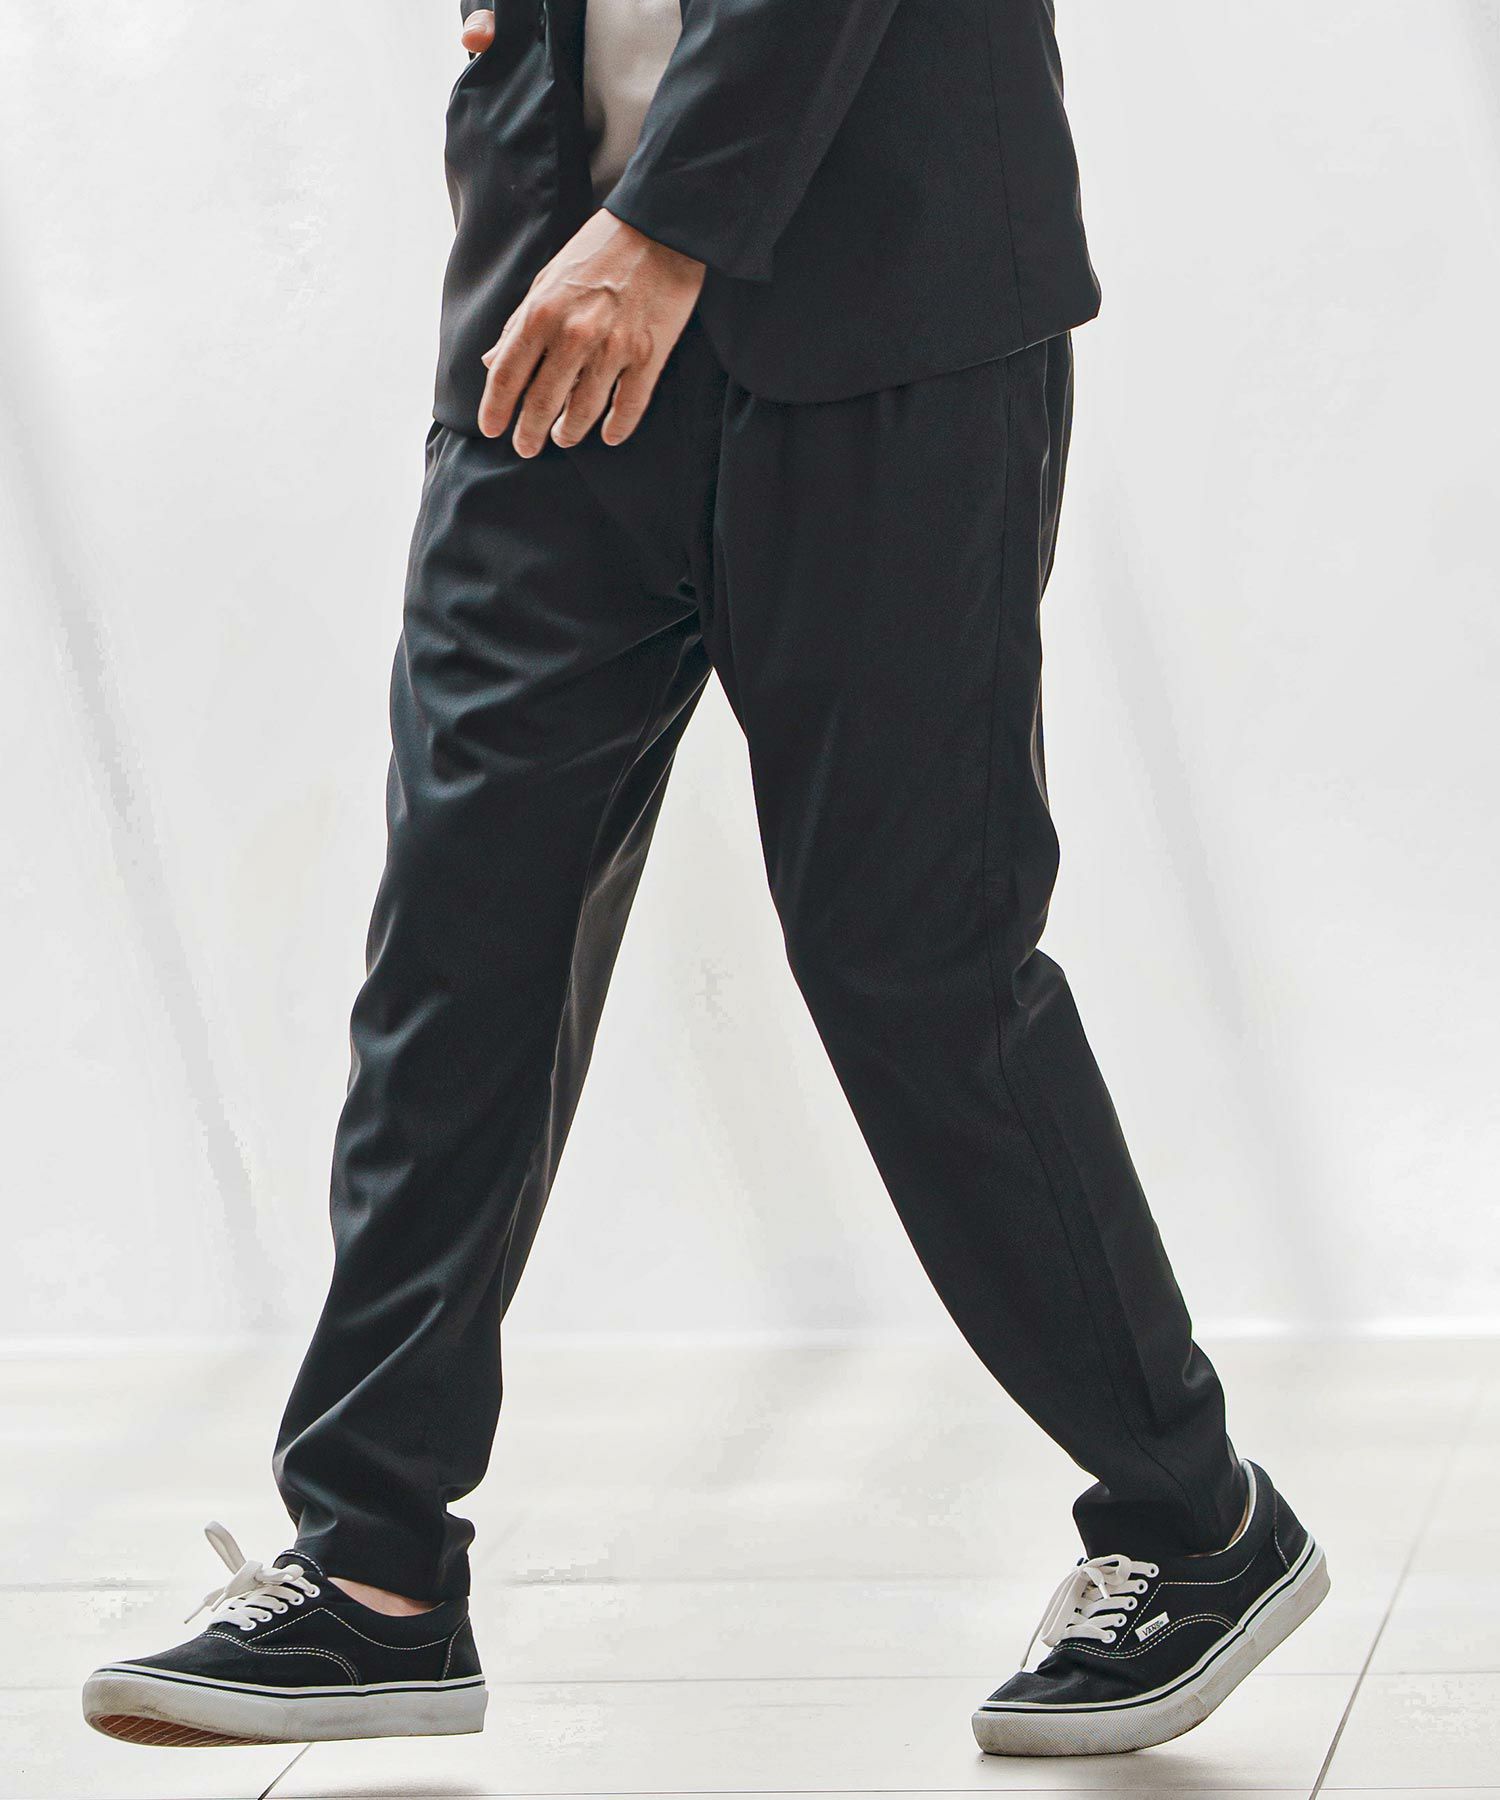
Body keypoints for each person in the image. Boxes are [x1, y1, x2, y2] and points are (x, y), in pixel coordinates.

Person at [83, 0, 1328, 1760]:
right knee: (461, 935)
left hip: (885, 317)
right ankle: (371, 1570)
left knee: (913, 959)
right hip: (554, 313)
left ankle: (1196, 1523)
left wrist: (665, 230)